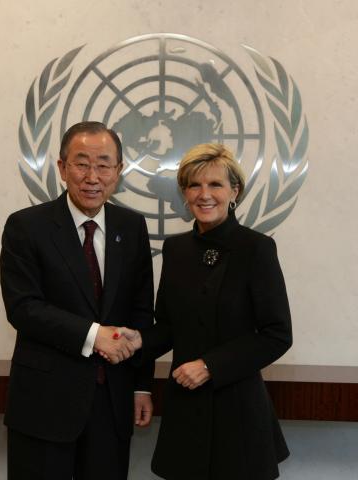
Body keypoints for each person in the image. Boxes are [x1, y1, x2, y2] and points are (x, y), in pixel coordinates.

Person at [116, 143, 292, 480]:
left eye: (215, 184)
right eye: (194, 185)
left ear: (234, 191)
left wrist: (211, 366)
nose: (204, 194)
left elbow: (277, 335)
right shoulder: (176, 249)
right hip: (186, 409)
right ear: (184, 192)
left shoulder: (257, 248)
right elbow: (168, 326)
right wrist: (138, 338)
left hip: (238, 411)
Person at [0, 121, 154, 480]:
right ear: (62, 168)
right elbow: (23, 307)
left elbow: (141, 310)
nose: (92, 176)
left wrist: (142, 384)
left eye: (104, 164)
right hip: (43, 402)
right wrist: (93, 335)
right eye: (81, 163)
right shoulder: (26, 226)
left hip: (112, 401)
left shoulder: (131, 227)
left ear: (118, 172)